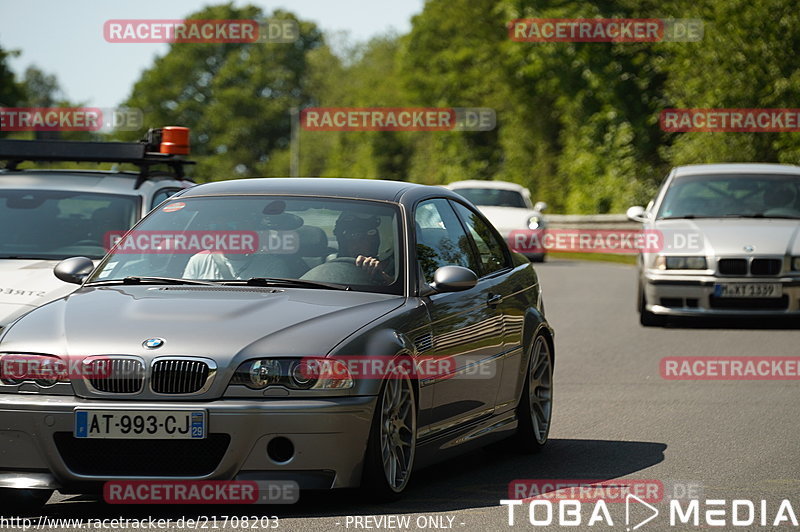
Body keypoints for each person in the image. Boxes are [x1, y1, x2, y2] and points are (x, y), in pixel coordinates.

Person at [332, 213, 393, 283]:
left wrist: (381, 276)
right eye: (349, 237)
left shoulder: (402, 269)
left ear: (376, 240)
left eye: (361, 237)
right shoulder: (331, 264)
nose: (354, 245)